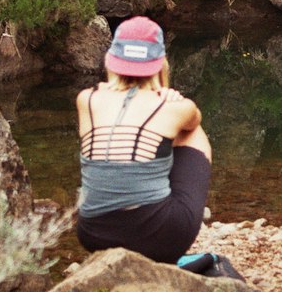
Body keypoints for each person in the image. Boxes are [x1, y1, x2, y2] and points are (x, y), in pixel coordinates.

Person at [75, 16, 212, 263]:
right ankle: (163, 253)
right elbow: (194, 120)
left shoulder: (86, 99)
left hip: (93, 234)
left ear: (111, 60)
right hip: (158, 238)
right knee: (192, 132)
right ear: (161, 64)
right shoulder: (175, 107)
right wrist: (169, 95)